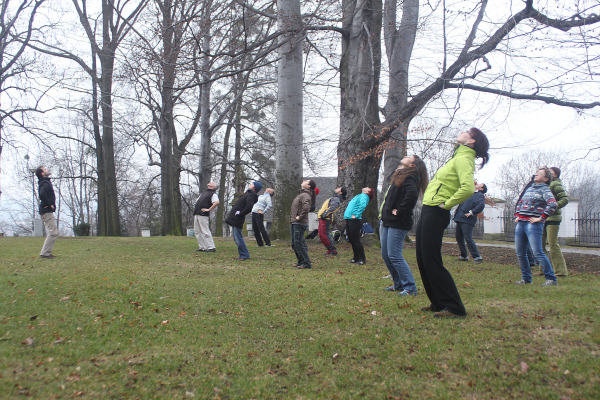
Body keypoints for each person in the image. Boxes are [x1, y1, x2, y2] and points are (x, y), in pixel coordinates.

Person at [416, 127, 490, 319]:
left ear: (471, 141)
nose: (462, 132)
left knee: (432, 260)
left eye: (467, 132)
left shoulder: (464, 159)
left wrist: (447, 204)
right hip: (429, 207)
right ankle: (438, 302)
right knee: (423, 258)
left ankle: (455, 307)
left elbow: (467, 189)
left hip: (437, 211)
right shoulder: (458, 157)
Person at [380, 155, 428, 296]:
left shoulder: (410, 177)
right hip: (388, 220)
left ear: (413, 165)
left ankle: (410, 288)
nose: (405, 156)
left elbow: (412, 196)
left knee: (394, 255)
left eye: (409, 157)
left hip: (398, 222)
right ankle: (399, 284)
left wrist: (400, 211)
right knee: (386, 255)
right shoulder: (401, 176)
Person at [514, 167, 558, 286]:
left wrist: (541, 217)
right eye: (536, 173)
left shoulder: (545, 190)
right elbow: (520, 203)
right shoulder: (529, 188)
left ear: (546, 179)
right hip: (521, 223)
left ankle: (551, 279)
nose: (536, 175)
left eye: (540, 174)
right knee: (520, 252)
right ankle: (526, 279)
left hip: (533, 224)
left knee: (537, 252)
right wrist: (517, 215)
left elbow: (553, 203)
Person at [541, 167, 569, 277]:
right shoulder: (545, 185)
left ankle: (561, 272)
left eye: (551, 173)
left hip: (553, 218)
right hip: (543, 217)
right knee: (541, 245)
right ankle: (543, 270)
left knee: (553, 244)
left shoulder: (556, 184)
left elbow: (564, 199)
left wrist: (554, 207)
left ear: (556, 175)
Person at [226, 181, 262, 260]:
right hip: (236, 217)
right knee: (236, 238)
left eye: (252, 184)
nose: (250, 184)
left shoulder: (250, 195)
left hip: (238, 218)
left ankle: (244, 255)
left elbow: (249, 206)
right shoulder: (248, 194)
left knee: (238, 237)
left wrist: (240, 213)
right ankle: (244, 254)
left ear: (255, 187)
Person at [454, 182, 487, 263]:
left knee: (468, 238)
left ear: (481, 189)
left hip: (467, 220)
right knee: (459, 238)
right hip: (460, 218)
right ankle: (464, 256)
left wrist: (472, 212)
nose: (477, 184)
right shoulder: (470, 193)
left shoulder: (479, 195)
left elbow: (481, 205)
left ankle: (477, 258)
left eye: (480, 184)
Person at [290, 179, 317, 269]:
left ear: (309, 186)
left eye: (306, 181)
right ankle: (300, 262)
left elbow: (306, 207)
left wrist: (300, 216)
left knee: (299, 243)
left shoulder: (305, 195)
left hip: (300, 223)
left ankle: (306, 263)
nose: (304, 181)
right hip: (295, 222)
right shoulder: (302, 194)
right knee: (295, 243)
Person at [343, 187, 374, 265]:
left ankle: (362, 259)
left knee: (356, 239)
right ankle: (356, 258)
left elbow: (362, 206)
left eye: (368, 188)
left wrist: (356, 215)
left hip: (355, 220)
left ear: (368, 192)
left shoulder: (364, 196)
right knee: (351, 239)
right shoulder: (359, 195)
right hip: (349, 218)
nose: (366, 187)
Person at [36, 166, 59, 259]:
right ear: (42, 173)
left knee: (53, 232)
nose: (47, 169)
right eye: (45, 169)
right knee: (53, 232)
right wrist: (50, 204)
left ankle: (46, 253)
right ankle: (45, 253)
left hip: (46, 210)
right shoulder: (45, 182)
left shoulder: (44, 182)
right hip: (46, 211)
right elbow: (42, 194)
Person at [317, 187, 347, 255]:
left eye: (339, 188)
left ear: (341, 192)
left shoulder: (336, 199)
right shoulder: (334, 198)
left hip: (326, 218)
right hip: (323, 218)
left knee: (325, 235)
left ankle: (333, 250)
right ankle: (330, 250)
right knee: (321, 235)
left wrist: (324, 215)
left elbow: (332, 208)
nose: (337, 188)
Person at [193, 182, 220, 252]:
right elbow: (197, 200)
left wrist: (208, 209)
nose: (209, 183)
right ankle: (202, 247)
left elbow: (217, 202)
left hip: (203, 214)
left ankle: (211, 247)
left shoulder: (213, 194)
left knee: (205, 230)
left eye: (212, 183)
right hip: (197, 213)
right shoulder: (204, 193)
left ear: (213, 186)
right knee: (197, 231)